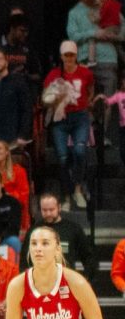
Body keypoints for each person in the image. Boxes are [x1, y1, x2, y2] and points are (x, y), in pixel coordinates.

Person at [43, 40, 94, 210]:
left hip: (80, 116)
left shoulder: (85, 73)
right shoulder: (54, 74)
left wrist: (88, 104)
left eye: (72, 54)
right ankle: (66, 194)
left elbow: (90, 90)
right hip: (61, 118)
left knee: (80, 151)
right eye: (66, 55)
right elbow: (45, 98)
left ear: (76, 55)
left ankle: (78, 188)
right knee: (63, 157)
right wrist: (56, 100)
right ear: (61, 56)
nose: (69, 58)